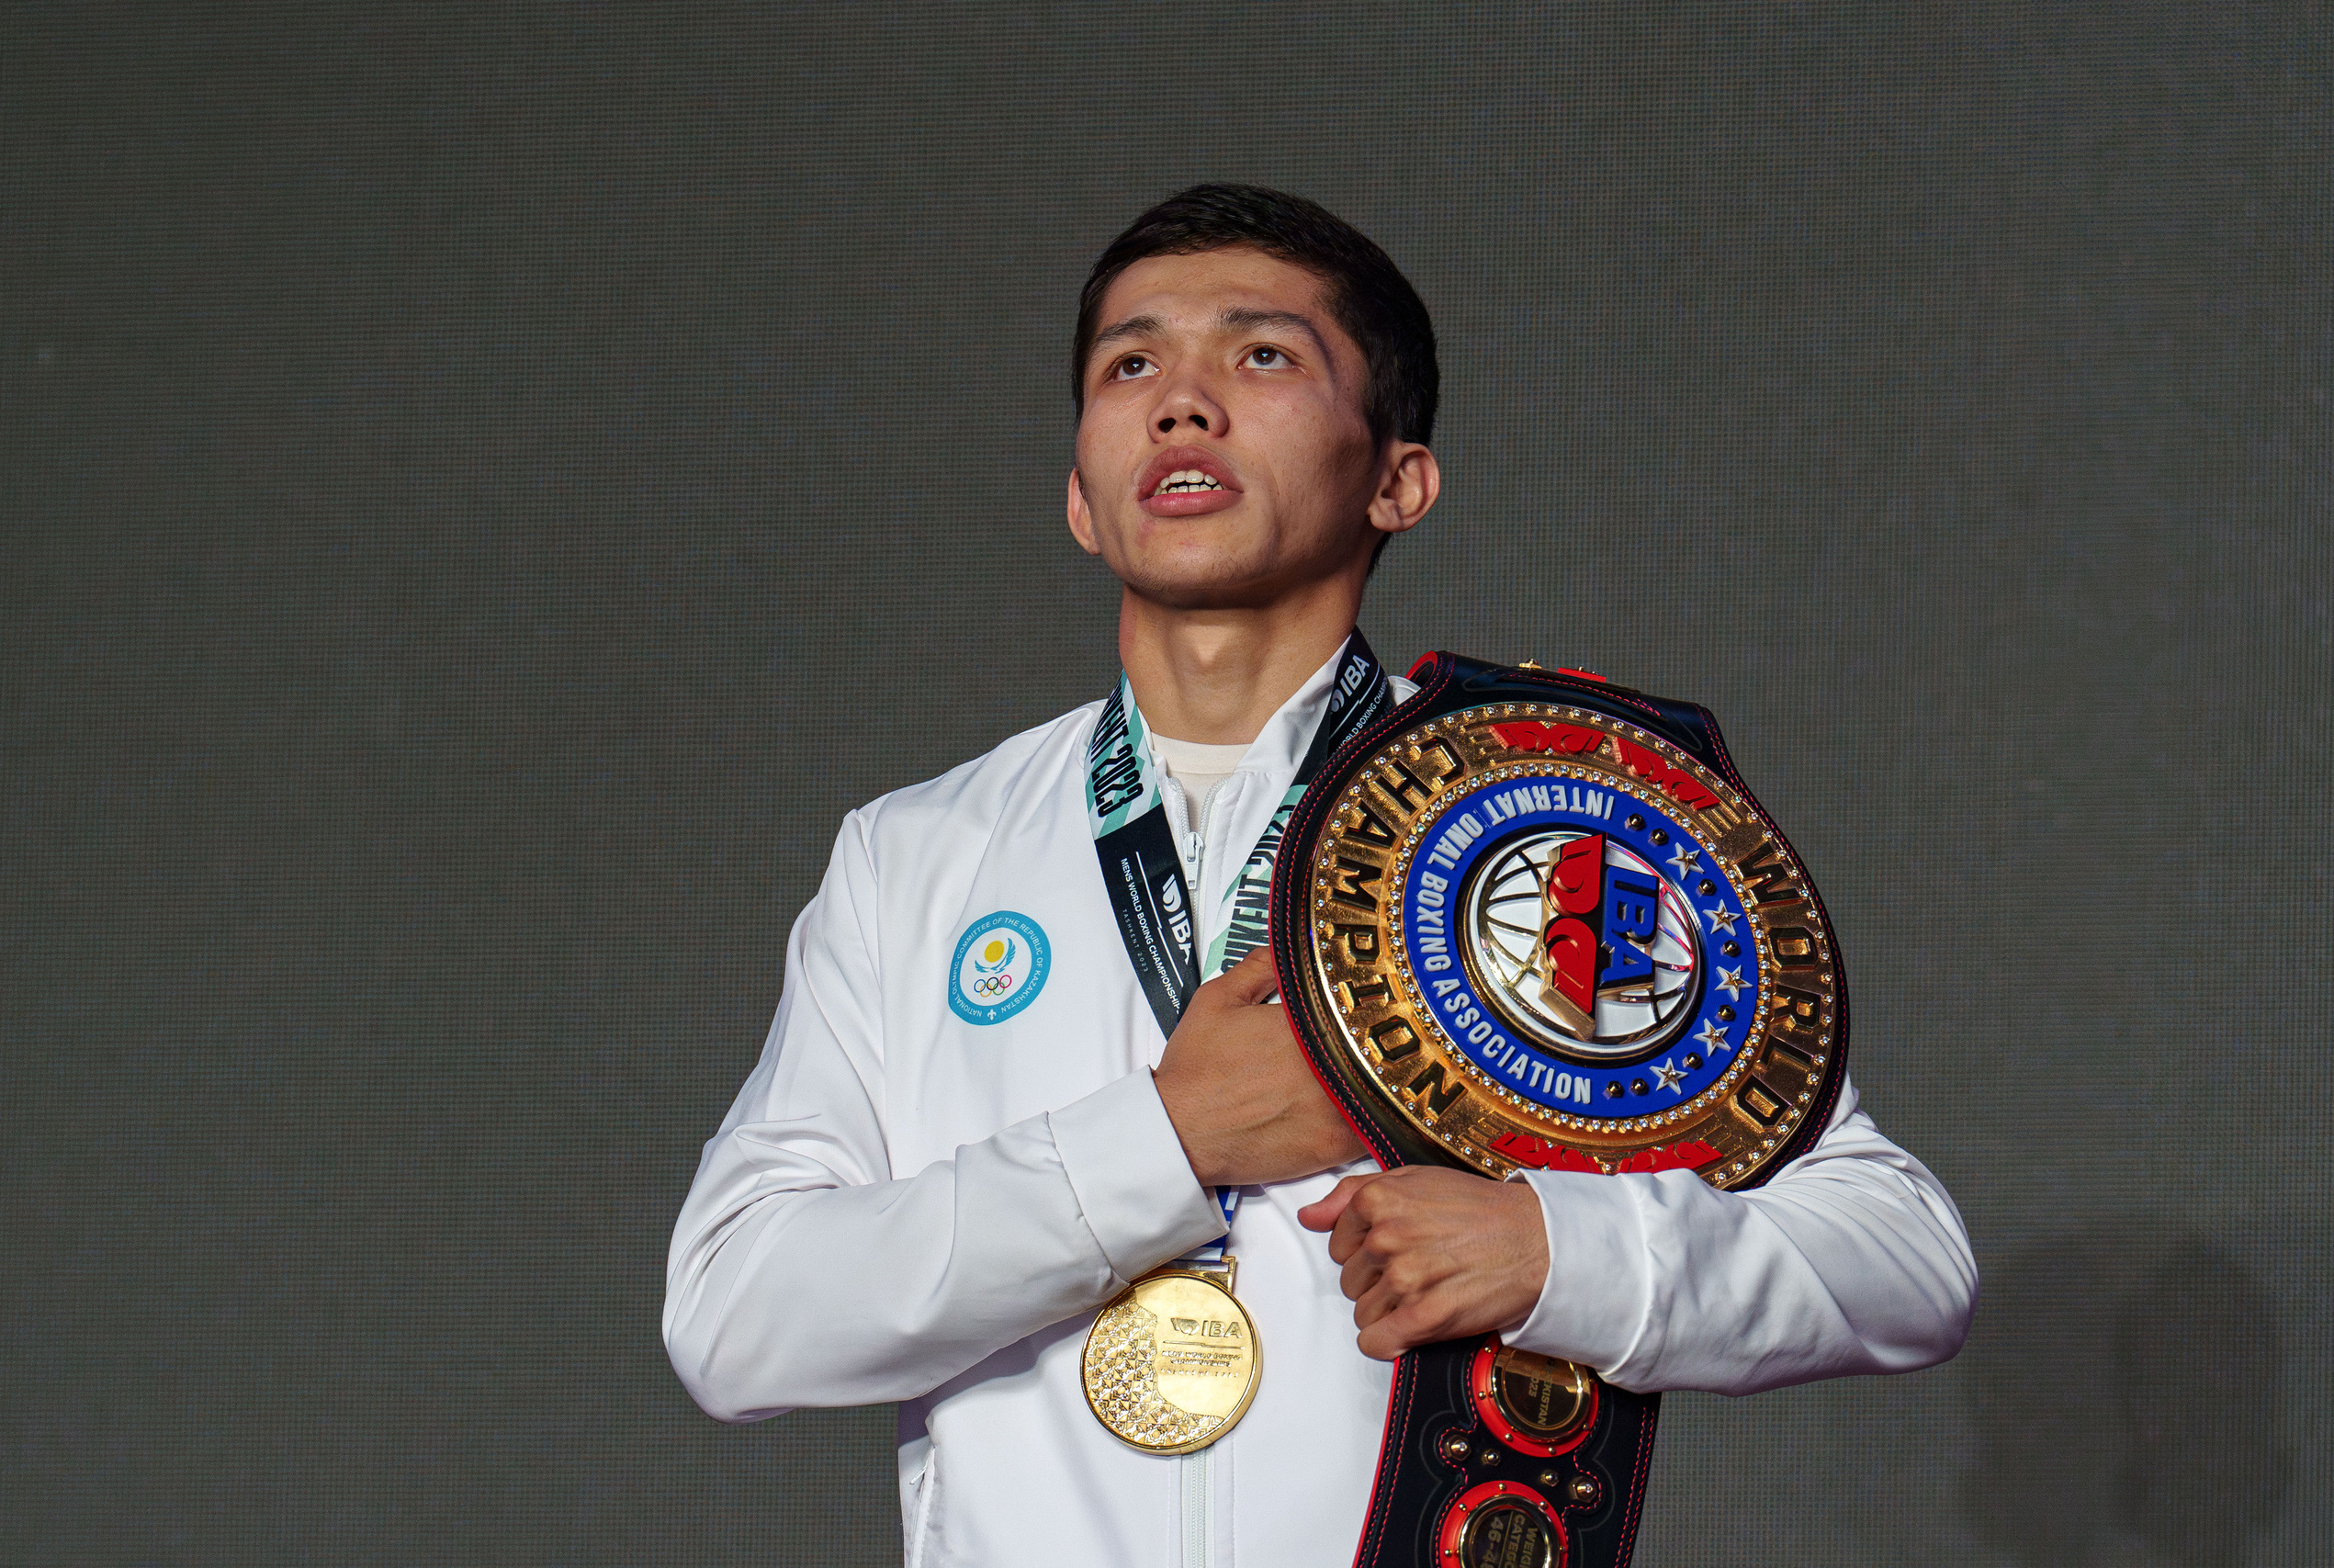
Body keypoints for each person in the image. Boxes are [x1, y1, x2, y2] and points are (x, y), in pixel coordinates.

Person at [663, 184, 1976, 1567]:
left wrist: (1560, 1253)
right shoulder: (918, 855)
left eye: (1262, 355)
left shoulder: (1555, 825)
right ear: (1079, 500)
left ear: (1398, 478)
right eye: (1131, 364)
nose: (1182, 403)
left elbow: (1902, 1256)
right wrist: (1165, 1145)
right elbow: (735, 1311)